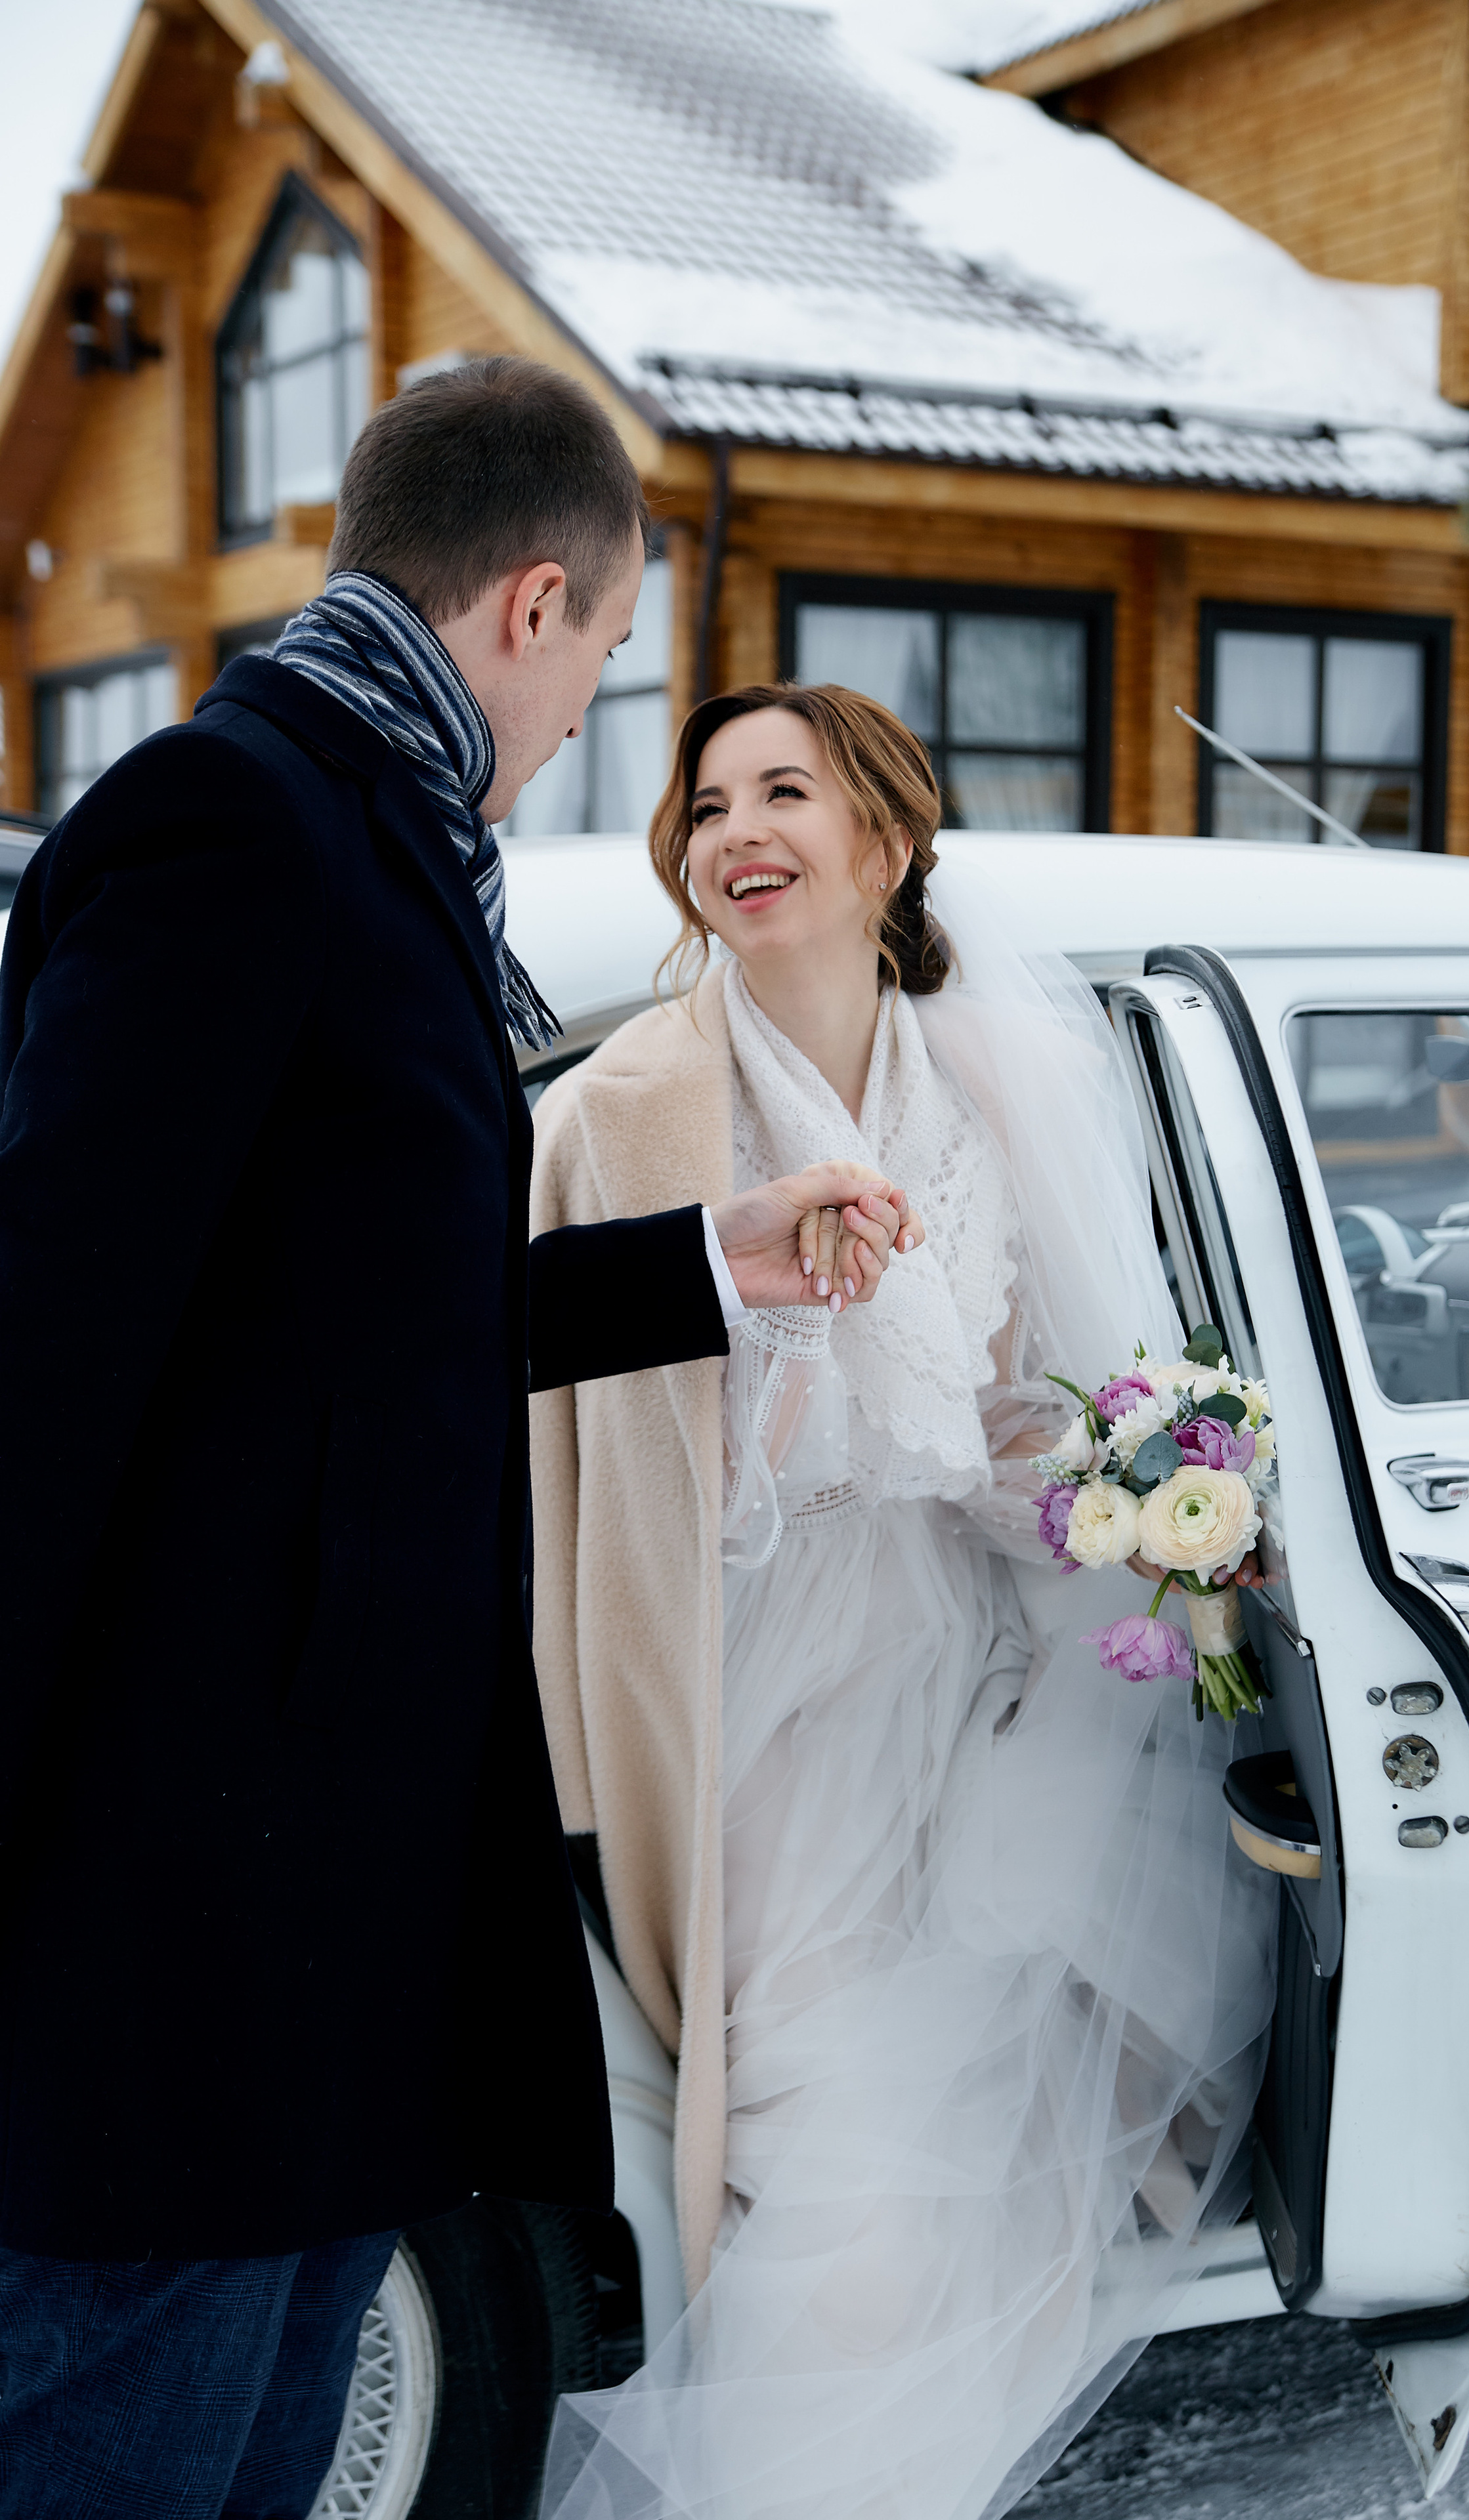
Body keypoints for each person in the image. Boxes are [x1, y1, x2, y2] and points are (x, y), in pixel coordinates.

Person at [0, 360, 921, 2518]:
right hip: (185, 1910)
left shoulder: (385, 835)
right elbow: (49, 1346)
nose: (590, 710)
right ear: (532, 603)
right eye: (606, 656)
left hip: (337, 1907)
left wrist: (703, 1263)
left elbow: (356, 1324)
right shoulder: (237, 820)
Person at [529, 684, 1277, 2520]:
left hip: (963, 1668)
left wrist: (1129, 1504)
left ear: (885, 838)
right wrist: (788, 1320)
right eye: (708, 805)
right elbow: (612, 1472)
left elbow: (1001, 1418)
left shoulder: (988, 1083)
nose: (736, 833)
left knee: (973, 2141)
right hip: (748, 1683)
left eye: (782, 791)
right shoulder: (626, 1111)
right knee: (834, 2156)